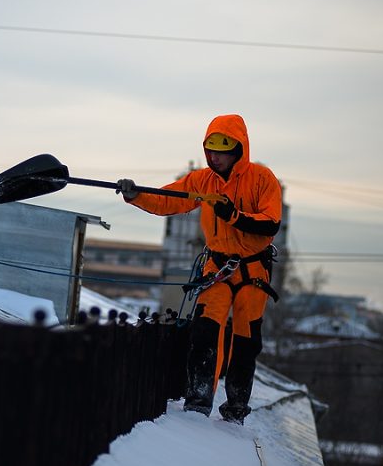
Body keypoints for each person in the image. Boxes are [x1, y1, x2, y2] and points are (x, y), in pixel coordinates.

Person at [116, 114, 282, 424]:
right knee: (205, 333)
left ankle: (235, 409)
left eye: (223, 150)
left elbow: (270, 223)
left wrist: (232, 214)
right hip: (217, 266)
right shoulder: (201, 181)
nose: (215, 157)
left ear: (239, 150)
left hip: (253, 272)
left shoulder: (262, 178)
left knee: (246, 341)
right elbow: (168, 199)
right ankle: (197, 402)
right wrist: (135, 194)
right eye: (211, 150)